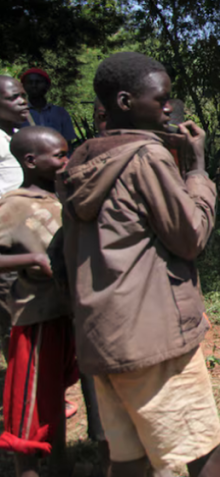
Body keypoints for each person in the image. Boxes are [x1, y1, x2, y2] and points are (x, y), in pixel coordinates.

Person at [60, 51, 220, 477]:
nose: (169, 108)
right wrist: (197, 170)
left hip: (104, 337)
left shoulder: (83, 160)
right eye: (161, 99)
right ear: (125, 101)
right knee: (203, 453)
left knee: (130, 459)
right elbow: (190, 237)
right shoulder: (146, 158)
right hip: (154, 340)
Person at [0, 127, 77, 477]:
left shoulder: (61, 198)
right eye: (59, 155)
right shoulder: (13, 205)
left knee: (53, 397)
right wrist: (31, 260)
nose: (67, 160)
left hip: (64, 313)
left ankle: (61, 465)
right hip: (35, 319)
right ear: (30, 161)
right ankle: (27, 469)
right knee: (27, 410)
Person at [0, 76, 30, 361]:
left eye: (22, 95)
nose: (23, 101)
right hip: (7, 239)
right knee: (12, 313)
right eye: (13, 98)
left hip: (31, 234)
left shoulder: (23, 134)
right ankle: (18, 376)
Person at [19, 68, 77, 146]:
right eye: (30, 82)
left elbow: (67, 142)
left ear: (47, 85)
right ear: (23, 86)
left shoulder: (60, 112)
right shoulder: (18, 113)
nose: (34, 85)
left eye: (38, 82)